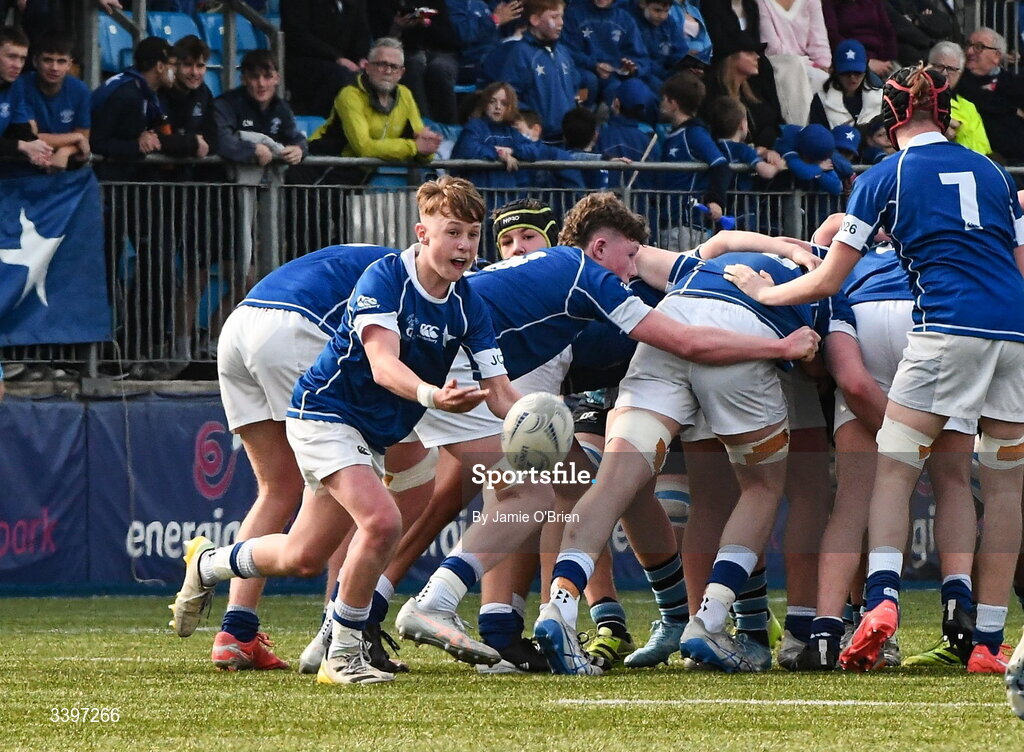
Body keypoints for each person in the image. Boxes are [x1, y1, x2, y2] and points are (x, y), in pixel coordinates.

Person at [393, 193, 821, 670]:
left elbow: (716, 244)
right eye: (630, 255)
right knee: (532, 497)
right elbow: (689, 338)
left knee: (590, 486)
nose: (635, 268)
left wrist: (781, 248)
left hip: (457, 366)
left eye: (526, 236)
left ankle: (573, 612)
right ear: (598, 247)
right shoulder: (585, 276)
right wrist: (780, 341)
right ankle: (469, 614)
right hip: (464, 374)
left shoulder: (563, 276)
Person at [724, 65, 1024, 674]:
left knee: (891, 465)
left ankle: (881, 598)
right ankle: (988, 641)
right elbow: (1019, 264)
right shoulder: (994, 171)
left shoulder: (884, 175)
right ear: (947, 114)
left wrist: (765, 292)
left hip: (946, 327)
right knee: (1004, 486)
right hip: (1014, 334)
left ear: (889, 120)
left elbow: (831, 276)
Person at [169, 177, 519, 686]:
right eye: (451, 232)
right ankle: (342, 651)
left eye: (471, 234)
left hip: (364, 430)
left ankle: (210, 565)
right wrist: (430, 395)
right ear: (422, 234)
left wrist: (537, 423)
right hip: (324, 413)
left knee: (302, 555)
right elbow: (382, 365)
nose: (463, 245)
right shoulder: (384, 277)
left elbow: (502, 390)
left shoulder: (469, 305)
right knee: (381, 519)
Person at [308, 38, 441, 181]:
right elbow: (364, 148)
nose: (388, 71)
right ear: (367, 66)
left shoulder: (405, 95)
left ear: (401, 72)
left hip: (354, 180)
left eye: (394, 66)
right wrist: (414, 147)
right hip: (316, 174)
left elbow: (421, 146)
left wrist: (427, 149)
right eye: (381, 64)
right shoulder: (350, 95)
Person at [499, 0, 581, 143]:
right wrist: (530, 124)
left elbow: (574, 86)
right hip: (538, 142)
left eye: (561, 17)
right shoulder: (520, 53)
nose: (561, 22)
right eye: (554, 17)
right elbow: (511, 96)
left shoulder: (563, 52)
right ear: (535, 20)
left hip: (565, 140)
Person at [13, 30, 89, 171]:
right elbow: (32, 138)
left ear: (69, 65)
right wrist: (76, 138)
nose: (54, 68)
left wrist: (65, 151)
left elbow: (84, 140)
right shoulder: (20, 85)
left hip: (62, 171)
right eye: (48, 60)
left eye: (61, 61)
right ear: (35, 61)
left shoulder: (80, 90)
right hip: (22, 171)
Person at [281, 0, 370, 117]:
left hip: (343, 65)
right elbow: (297, 35)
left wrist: (362, 58)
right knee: (341, 76)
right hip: (304, 63)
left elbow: (361, 34)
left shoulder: (355, 3)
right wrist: (336, 58)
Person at [956, 27, 1024, 165]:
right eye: (968, 45)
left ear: (997, 55)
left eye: (978, 47)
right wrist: (1012, 109)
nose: (969, 52)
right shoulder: (958, 80)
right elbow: (975, 96)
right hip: (981, 161)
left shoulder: (1014, 82)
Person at [758, 0, 831, 127]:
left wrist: (823, 63)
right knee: (794, 69)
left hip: (808, 65)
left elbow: (819, 39)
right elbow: (772, 46)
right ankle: (800, 130)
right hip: (778, 63)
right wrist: (804, 63)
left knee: (824, 80)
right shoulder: (761, 2)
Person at [926, 41, 990, 156]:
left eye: (951, 69)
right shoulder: (917, 99)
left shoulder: (968, 106)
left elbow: (984, 147)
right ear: (928, 67)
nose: (945, 73)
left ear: (960, 73)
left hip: (974, 165)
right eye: (939, 66)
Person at [0, 25, 51, 170]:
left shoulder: (15, 85)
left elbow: (18, 128)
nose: (18, 65)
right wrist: (22, 146)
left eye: (22, 59)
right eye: (11, 57)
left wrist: (35, 145)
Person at [808, 39, 883, 130]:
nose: (852, 78)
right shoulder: (821, 101)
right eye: (846, 73)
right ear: (835, 71)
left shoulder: (881, 97)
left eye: (857, 73)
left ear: (865, 71)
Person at [822, 0, 898, 78]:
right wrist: (866, 61)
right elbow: (832, 35)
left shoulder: (874, 2)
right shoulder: (829, 4)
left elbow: (887, 30)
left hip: (881, 59)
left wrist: (886, 61)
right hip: (851, 59)